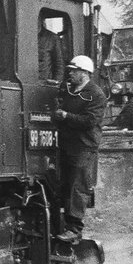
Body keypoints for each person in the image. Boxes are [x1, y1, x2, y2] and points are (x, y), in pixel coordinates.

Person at [52, 55, 108, 243]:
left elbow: (90, 121)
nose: (70, 73)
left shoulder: (96, 94)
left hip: (84, 146)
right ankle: (62, 224)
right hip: (67, 144)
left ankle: (74, 228)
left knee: (78, 186)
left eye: (74, 71)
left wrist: (66, 116)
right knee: (65, 185)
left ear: (84, 73)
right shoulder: (70, 91)